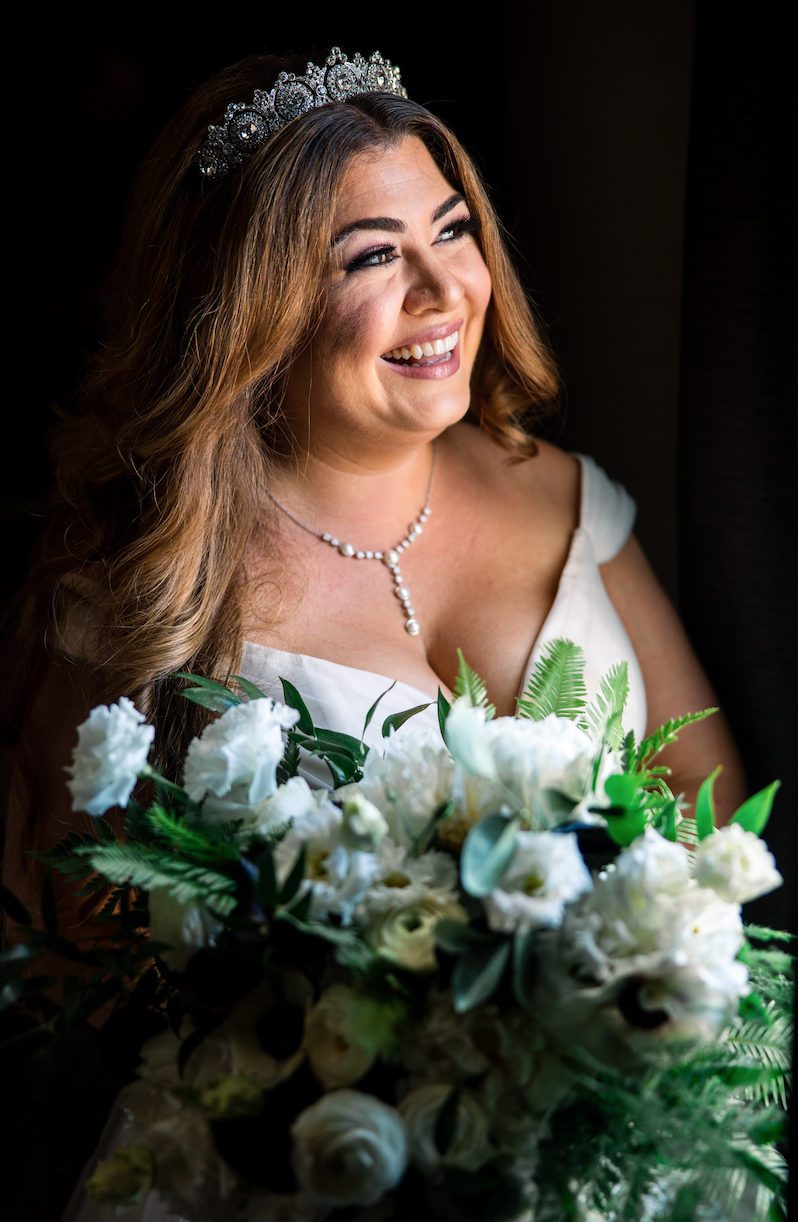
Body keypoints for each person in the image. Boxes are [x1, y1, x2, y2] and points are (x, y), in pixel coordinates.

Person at [4, 46, 744, 954]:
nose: (444, 293)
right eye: (375, 257)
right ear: (250, 306)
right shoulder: (134, 594)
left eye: (453, 231)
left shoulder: (560, 493)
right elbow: (71, 971)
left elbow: (715, 823)